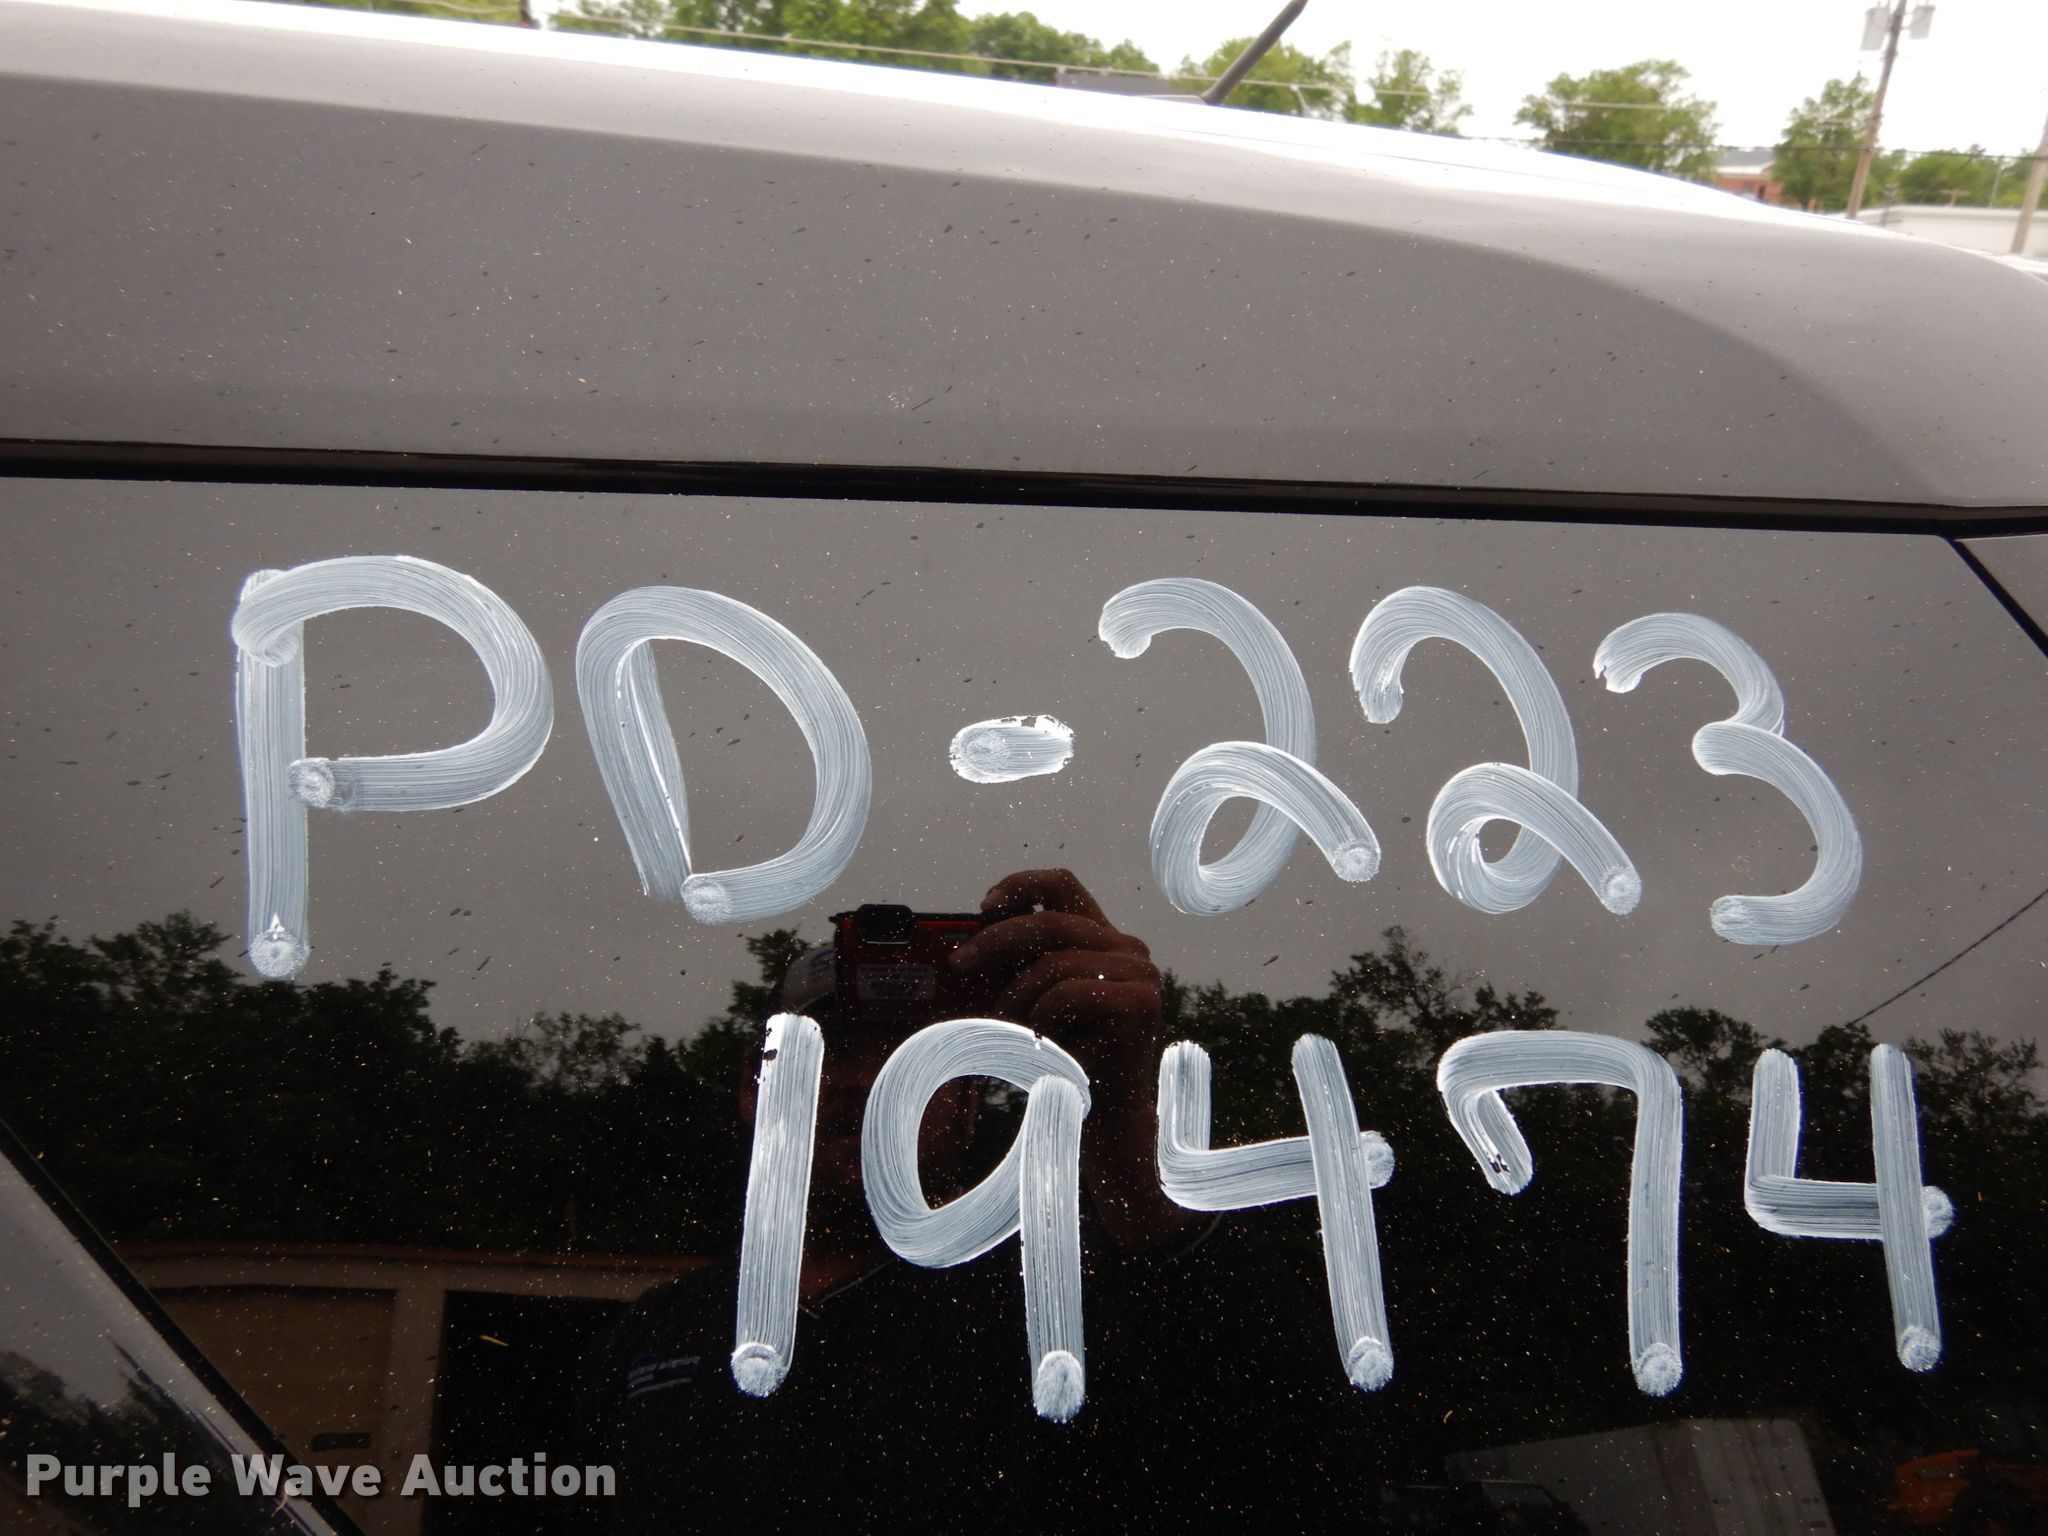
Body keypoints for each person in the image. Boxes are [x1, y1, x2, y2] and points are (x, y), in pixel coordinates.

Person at [569, 871, 1371, 1531]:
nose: (865, 1080)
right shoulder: (657, 1333)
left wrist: (1122, 1112)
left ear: (968, 1099)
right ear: (755, 1088)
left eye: (912, 1049)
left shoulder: (1064, 1304)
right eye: (828, 1049)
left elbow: (1304, 1461)